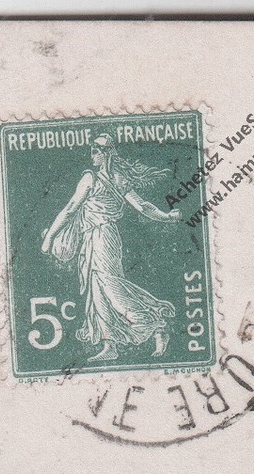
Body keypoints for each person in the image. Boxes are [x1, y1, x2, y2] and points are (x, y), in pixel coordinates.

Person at [40, 134, 181, 362]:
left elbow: (70, 209)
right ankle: (110, 345)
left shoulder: (95, 179)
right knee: (97, 291)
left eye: (96, 151)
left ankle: (155, 323)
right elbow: (142, 206)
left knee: (110, 286)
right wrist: (166, 217)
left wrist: (49, 239)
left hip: (103, 237)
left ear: (107, 153)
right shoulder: (114, 178)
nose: (92, 155)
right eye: (92, 151)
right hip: (93, 238)